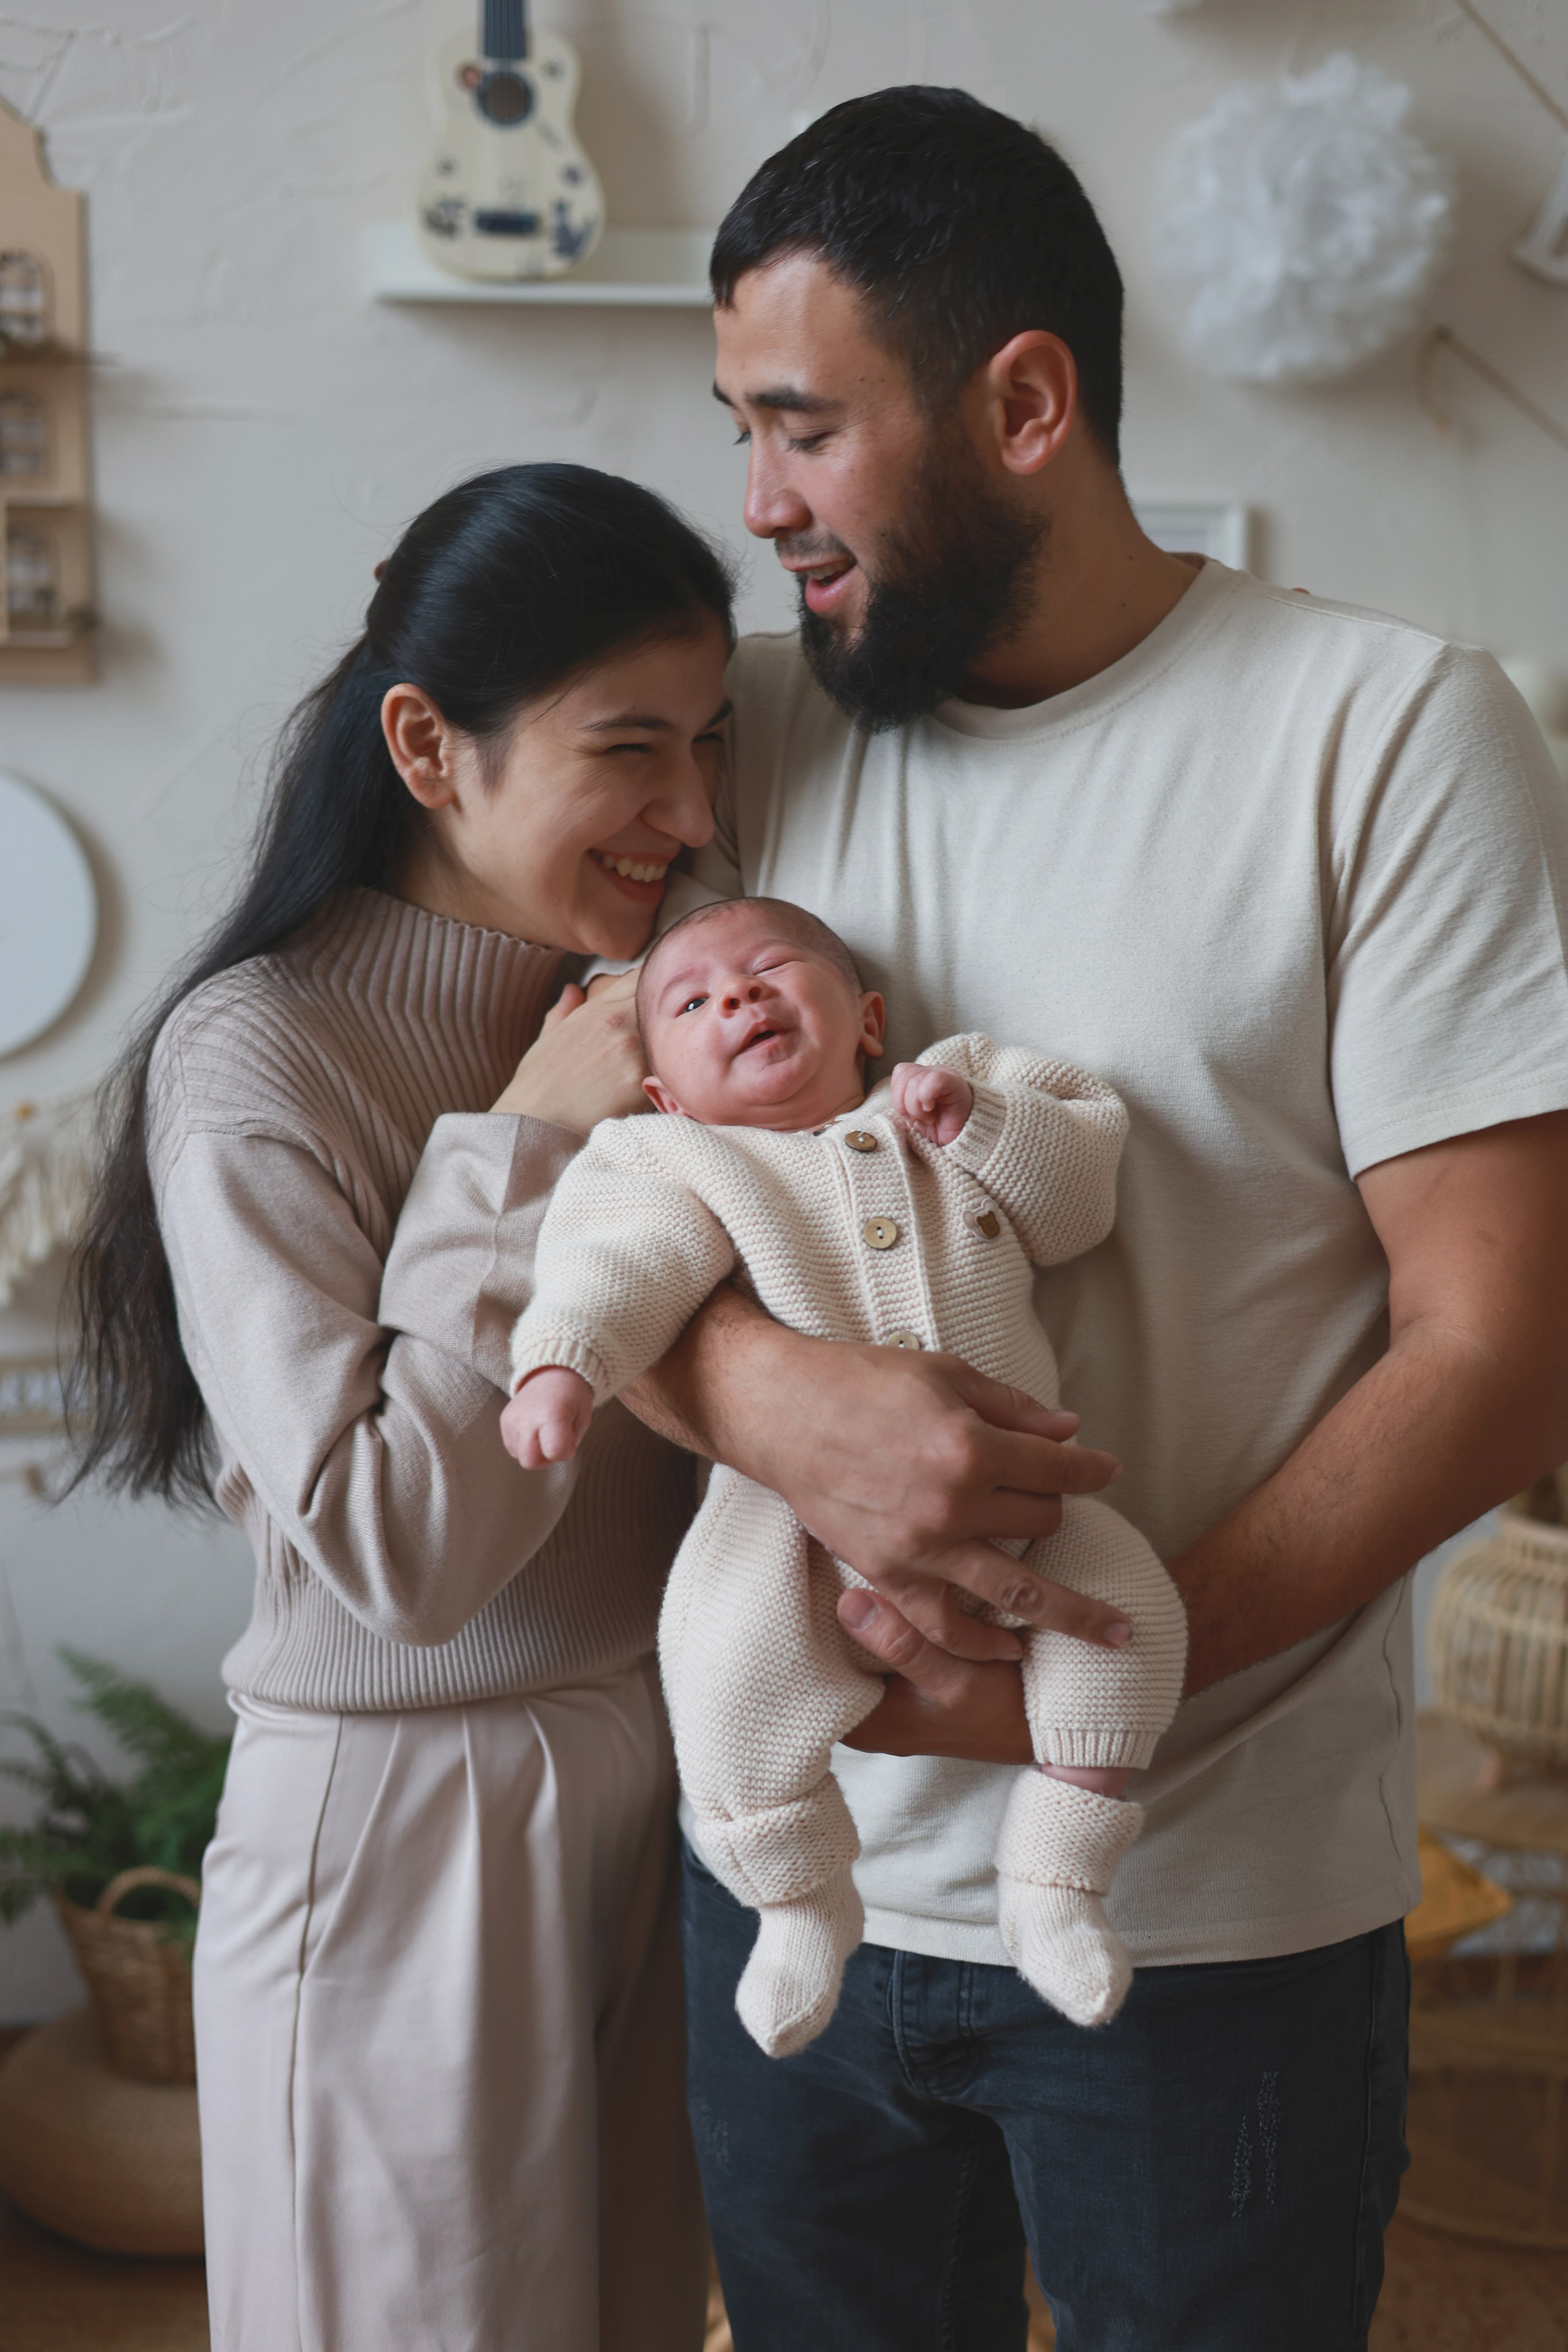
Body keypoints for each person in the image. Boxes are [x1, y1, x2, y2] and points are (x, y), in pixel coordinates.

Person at [616, 89, 1568, 2350]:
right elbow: (580, 1189)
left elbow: (1501, 1349)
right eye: (740, 433)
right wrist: (767, 1396)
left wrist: (1084, 1696)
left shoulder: (1383, 733)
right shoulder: (738, 735)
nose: (757, 504)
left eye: (804, 428)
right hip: (795, 1888)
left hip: (1210, 1922)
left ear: (1024, 403)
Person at [67, 463, 736, 2352]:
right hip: (403, 1823)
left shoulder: (667, 1000)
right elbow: (407, 1551)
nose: (691, 810)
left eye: (709, 741)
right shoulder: (259, 1051)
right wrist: (517, 1146)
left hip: (651, 1782)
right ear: (429, 747)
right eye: (630, 749)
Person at [503, 895, 1187, 2051]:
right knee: (720, 1674)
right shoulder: (677, 1158)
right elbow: (619, 1259)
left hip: (1031, 1498)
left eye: (771, 968)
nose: (739, 995)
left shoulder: (947, 1093)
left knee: (1133, 1625)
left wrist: (976, 1124)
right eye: (694, 1002)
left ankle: (1058, 1877)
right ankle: (800, 1904)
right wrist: (564, 1364)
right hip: (788, 1531)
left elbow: (1078, 1202)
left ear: (868, 1019)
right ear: (666, 1094)